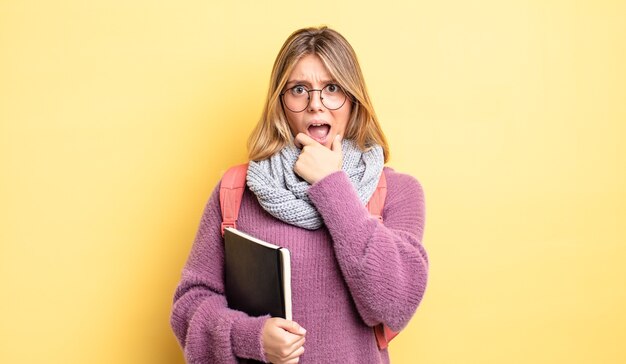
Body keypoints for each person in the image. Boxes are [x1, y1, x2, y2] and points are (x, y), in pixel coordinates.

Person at [170, 26, 428, 364]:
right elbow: (190, 306)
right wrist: (251, 336)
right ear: (281, 101)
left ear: (353, 98)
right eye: (299, 89)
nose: (315, 105)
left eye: (332, 88)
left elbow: (394, 303)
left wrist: (332, 185)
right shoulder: (237, 189)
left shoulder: (397, 191)